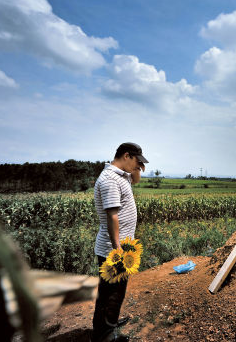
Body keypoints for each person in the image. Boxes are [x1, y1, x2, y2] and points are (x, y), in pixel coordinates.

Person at [91, 142, 148, 342]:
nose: (138, 167)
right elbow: (112, 216)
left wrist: (137, 168)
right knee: (111, 294)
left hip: (122, 247)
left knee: (116, 291)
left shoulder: (121, 176)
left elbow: (137, 181)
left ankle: (108, 325)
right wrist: (118, 249)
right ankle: (104, 335)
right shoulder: (110, 180)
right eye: (136, 161)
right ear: (126, 156)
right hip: (113, 249)